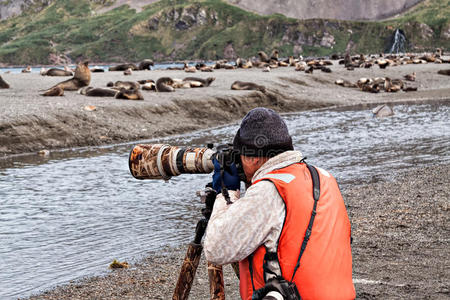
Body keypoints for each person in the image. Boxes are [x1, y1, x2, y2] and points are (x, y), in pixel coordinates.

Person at [204, 107, 356, 300]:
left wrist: (226, 194)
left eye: (240, 156)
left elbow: (216, 249)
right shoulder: (324, 177)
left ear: (253, 158)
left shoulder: (269, 190)